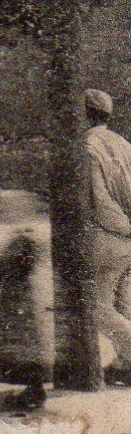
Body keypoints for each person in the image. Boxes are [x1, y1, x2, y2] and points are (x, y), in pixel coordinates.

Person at [84, 89, 131, 385]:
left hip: (108, 234)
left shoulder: (87, 148)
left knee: (96, 305)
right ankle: (124, 364)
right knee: (123, 301)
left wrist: (122, 227)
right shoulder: (124, 144)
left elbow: (99, 202)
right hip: (127, 234)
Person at [0, 191, 49, 409]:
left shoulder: (23, 238)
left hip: (18, 299)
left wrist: (2, 276)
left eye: (4, 210)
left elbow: (18, 265)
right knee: (18, 342)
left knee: (21, 343)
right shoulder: (20, 236)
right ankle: (29, 386)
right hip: (14, 297)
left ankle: (33, 388)